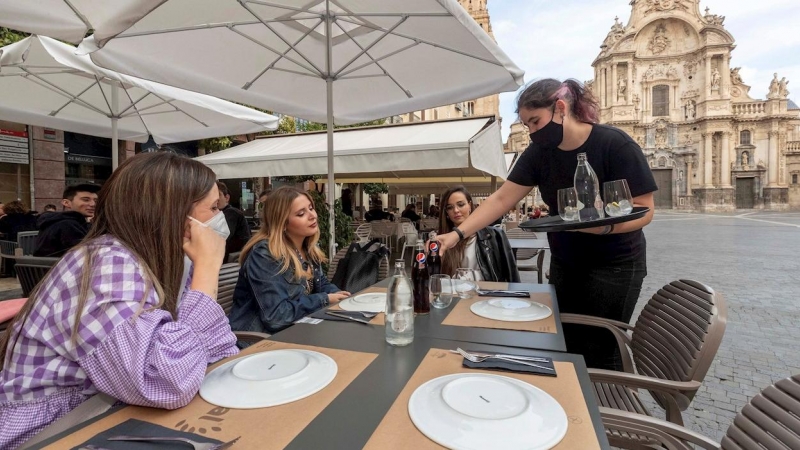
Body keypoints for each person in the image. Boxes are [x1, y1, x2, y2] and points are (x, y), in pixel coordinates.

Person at [0, 152, 238, 448]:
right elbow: (164, 382)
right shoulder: (108, 263)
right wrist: (208, 269)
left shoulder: (160, 261)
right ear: (173, 213)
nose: (221, 219)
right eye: (213, 208)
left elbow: (217, 348)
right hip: (53, 431)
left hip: (110, 413)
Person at [437, 79, 656, 370]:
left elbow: (644, 210)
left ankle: (609, 407)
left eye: (535, 121)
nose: (531, 132)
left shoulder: (615, 144)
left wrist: (600, 228)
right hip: (566, 262)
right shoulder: (540, 154)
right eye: (526, 125)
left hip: (615, 264)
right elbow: (502, 199)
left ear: (561, 109)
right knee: (564, 338)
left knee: (602, 346)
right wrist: (457, 234)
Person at [228, 186, 350, 336]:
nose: (312, 216)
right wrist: (324, 299)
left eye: (311, 208)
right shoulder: (265, 254)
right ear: (283, 223)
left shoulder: (307, 247)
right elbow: (276, 316)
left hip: (297, 330)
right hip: (260, 341)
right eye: (301, 213)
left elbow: (320, 284)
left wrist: (342, 298)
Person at [438, 186, 519, 282]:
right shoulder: (442, 240)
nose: (456, 210)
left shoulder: (493, 236)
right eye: (450, 207)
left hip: (486, 294)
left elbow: (507, 275)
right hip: (453, 294)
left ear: (469, 205)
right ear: (446, 212)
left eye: (461, 204)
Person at [33, 184, 100, 257]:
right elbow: (86, 255)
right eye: (86, 200)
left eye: (96, 201)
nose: (93, 204)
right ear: (66, 203)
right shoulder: (68, 225)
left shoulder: (56, 221)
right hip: (60, 267)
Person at [217, 181, 251, 261]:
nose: (216, 198)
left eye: (218, 194)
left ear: (227, 198)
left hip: (234, 261)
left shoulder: (231, 213)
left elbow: (222, 236)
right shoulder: (222, 213)